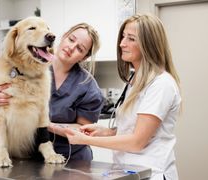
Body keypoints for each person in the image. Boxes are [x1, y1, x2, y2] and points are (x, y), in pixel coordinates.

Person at [64, 14, 181, 180]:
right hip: (129, 171)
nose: (122, 44)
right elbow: (131, 128)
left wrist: (83, 140)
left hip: (151, 172)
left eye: (131, 38)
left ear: (149, 44)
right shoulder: (135, 80)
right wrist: (105, 132)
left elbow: (137, 141)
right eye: (123, 36)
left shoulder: (161, 84)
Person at [0, 23, 105, 161]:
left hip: (71, 159)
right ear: (63, 37)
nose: (71, 48)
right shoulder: (29, 62)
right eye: (71, 39)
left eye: (80, 48)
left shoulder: (88, 87)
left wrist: (43, 124)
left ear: (84, 58)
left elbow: (84, 130)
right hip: (28, 157)